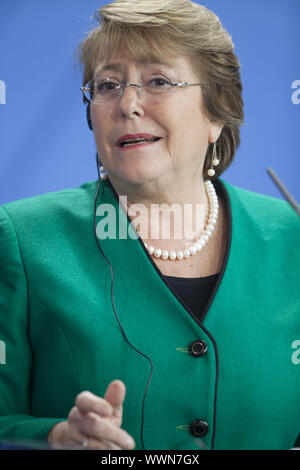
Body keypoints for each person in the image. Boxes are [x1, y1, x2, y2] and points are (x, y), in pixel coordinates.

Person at [0, 0, 299, 451]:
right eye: (107, 85)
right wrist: (54, 437)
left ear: (216, 113)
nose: (128, 104)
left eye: (158, 80)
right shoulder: (21, 239)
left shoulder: (291, 236)